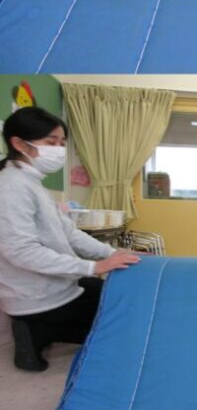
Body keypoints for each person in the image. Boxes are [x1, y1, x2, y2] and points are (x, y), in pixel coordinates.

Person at [0, 107, 140, 371]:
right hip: (38, 298)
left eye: (62, 143)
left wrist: (111, 254)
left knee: (115, 293)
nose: (59, 150)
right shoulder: (11, 186)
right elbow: (20, 251)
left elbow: (70, 233)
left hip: (58, 285)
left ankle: (36, 329)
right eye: (51, 142)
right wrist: (92, 267)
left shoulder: (31, 183)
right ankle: (32, 330)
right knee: (123, 323)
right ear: (19, 144)